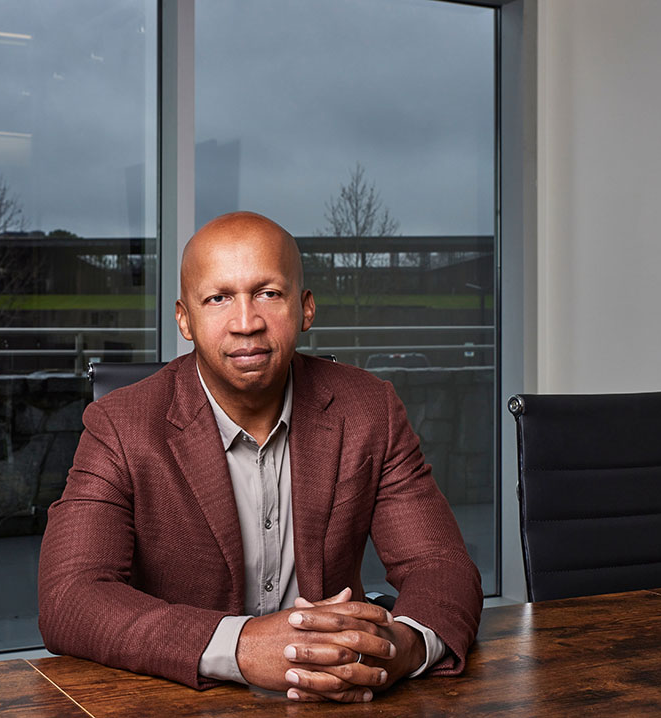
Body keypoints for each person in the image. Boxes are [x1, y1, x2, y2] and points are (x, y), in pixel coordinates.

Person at [38, 211, 482, 703]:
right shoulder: (120, 425)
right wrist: (242, 645)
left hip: (335, 700)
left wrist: (403, 647)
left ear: (305, 308)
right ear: (185, 319)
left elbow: (440, 565)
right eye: (218, 298)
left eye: (268, 293)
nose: (246, 323)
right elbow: (70, 597)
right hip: (183, 700)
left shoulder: (368, 409)